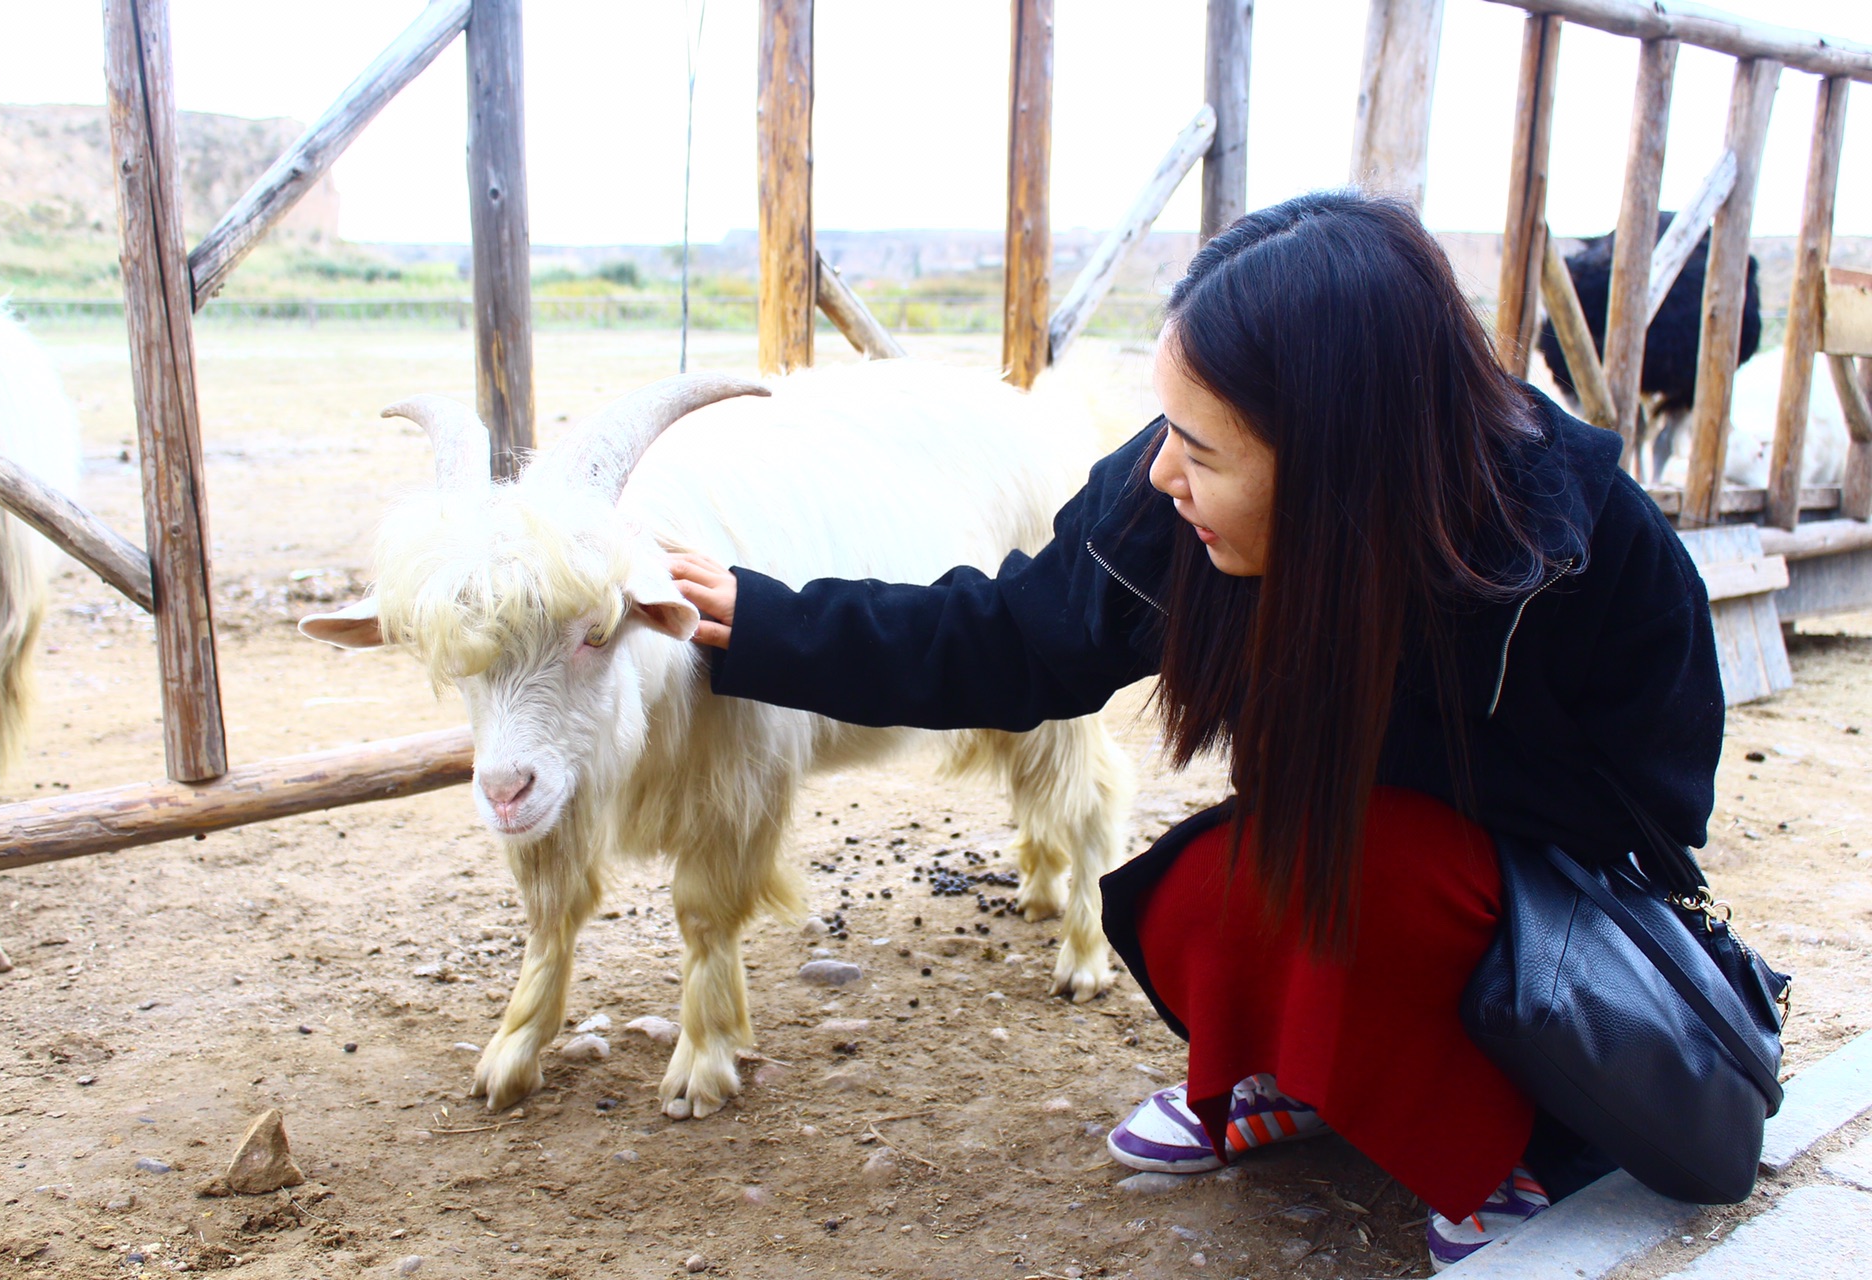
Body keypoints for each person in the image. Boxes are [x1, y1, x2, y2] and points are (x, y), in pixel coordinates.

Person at [668, 192, 1721, 1271]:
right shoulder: (1178, 497)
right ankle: (1307, 1076)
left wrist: (1410, 800)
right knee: (1197, 900)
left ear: (1337, 459)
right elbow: (1010, 638)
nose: (1166, 472)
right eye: (1168, 428)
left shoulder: (1574, 548)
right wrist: (766, 620)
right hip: (1351, 850)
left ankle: (1503, 1146)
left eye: (1201, 448)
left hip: (1522, 909)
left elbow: (1653, 812)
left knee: (1367, 868)